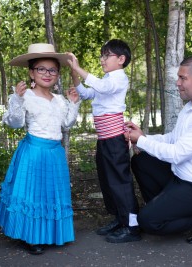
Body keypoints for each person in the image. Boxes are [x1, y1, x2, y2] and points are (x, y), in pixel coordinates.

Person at [125, 55, 192, 244]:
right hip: (183, 178)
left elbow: (177, 153)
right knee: (141, 161)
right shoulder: (191, 107)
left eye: (183, 78)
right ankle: (165, 210)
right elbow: (172, 139)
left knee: (147, 221)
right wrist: (144, 137)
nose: (177, 83)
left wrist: (141, 141)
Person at [0, 43, 81, 255]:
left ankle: (50, 234)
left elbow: (67, 123)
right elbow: (14, 123)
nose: (47, 74)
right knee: (33, 194)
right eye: (41, 69)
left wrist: (74, 102)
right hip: (33, 152)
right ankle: (30, 237)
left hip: (54, 153)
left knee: (51, 194)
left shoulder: (59, 100)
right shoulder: (26, 96)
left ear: (58, 74)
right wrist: (16, 98)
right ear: (32, 72)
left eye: (52, 70)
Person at [66, 39, 141, 243]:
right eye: (102, 55)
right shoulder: (107, 79)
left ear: (121, 59)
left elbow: (101, 87)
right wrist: (74, 74)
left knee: (121, 182)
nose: (102, 59)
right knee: (108, 181)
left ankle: (132, 226)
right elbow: (87, 93)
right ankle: (120, 218)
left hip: (115, 139)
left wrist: (78, 68)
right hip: (104, 139)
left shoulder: (118, 79)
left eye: (106, 55)